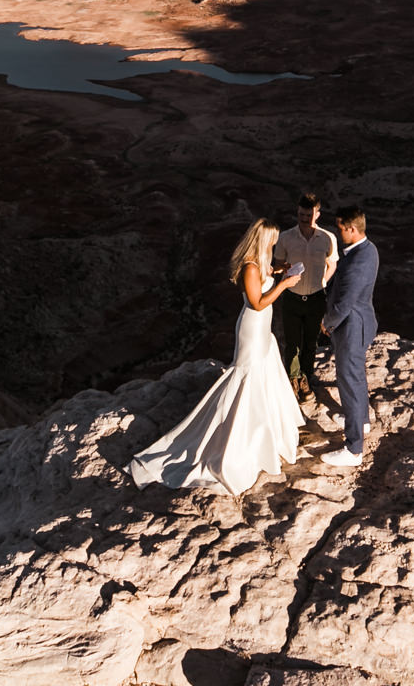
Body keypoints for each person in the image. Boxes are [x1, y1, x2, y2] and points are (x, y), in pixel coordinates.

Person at [128, 218, 309, 494]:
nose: (275, 243)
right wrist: (283, 285)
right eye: (271, 240)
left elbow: (265, 276)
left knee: (262, 372)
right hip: (252, 327)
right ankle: (227, 435)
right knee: (246, 376)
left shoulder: (260, 264)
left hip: (263, 330)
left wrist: (278, 271)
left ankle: (264, 432)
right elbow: (258, 303)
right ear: (262, 240)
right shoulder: (250, 266)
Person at [316, 205, 379, 469]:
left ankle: (353, 450)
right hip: (359, 323)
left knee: (349, 381)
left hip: (352, 327)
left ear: (352, 229)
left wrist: (325, 324)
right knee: (356, 377)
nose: (338, 232)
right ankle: (361, 422)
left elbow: (344, 303)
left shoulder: (358, 261)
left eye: (341, 228)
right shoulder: (367, 249)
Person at [272, 192, 339, 400]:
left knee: (311, 342)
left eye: (308, 215)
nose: (304, 218)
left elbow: (333, 263)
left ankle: (306, 377)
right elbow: (277, 265)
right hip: (292, 296)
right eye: (301, 214)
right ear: (297, 212)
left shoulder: (328, 238)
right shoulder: (285, 238)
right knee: (292, 342)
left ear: (317, 214)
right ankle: (293, 378)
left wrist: (323, 282)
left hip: (316, 298)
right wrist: (285, 273)